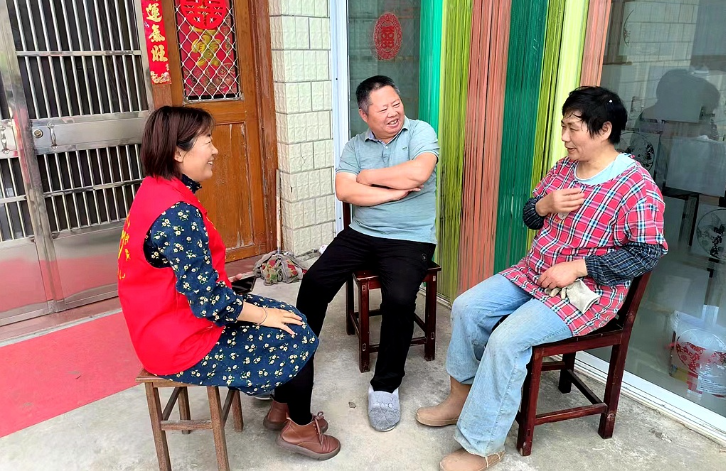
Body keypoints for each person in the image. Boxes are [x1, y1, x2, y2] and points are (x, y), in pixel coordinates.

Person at [416, 87, 668, 471]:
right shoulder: (564, 168)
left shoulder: (636, 186)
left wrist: (579, 267)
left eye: (572, 128)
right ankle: (461, 398)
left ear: (604, 130)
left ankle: (484, 446)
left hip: (585, 292)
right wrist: (545, 204)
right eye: (563, 127)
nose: (564, 137)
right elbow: (530, 216)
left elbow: (648, 252)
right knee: (467, 307)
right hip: (534, 272)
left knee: (507, 340)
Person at [117, 106, 340, 460]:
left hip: (164, 324)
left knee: (287, 314)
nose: (215, 150)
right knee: (295, 331)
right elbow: (210, 302)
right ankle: (300, 427)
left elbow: (181, 274)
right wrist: (261, 315)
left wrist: (231, 288)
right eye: (207, 141)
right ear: (178, 152)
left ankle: (281, 407)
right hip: (180, 342)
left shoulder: (155, 189)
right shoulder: (177, 212)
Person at [288, 75, 439, 432]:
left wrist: (369, 177)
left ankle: (385, 386)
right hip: (361, 233)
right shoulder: (354, 146)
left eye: (396, 104)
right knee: (314, 284)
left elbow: (419, 172)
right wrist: (393, 192)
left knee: (399, 300)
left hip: (409, 238)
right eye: (382, 108)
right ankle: (290, 364)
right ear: (364, 114)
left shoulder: (420, 132)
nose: (393, 113)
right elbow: (345, 191)